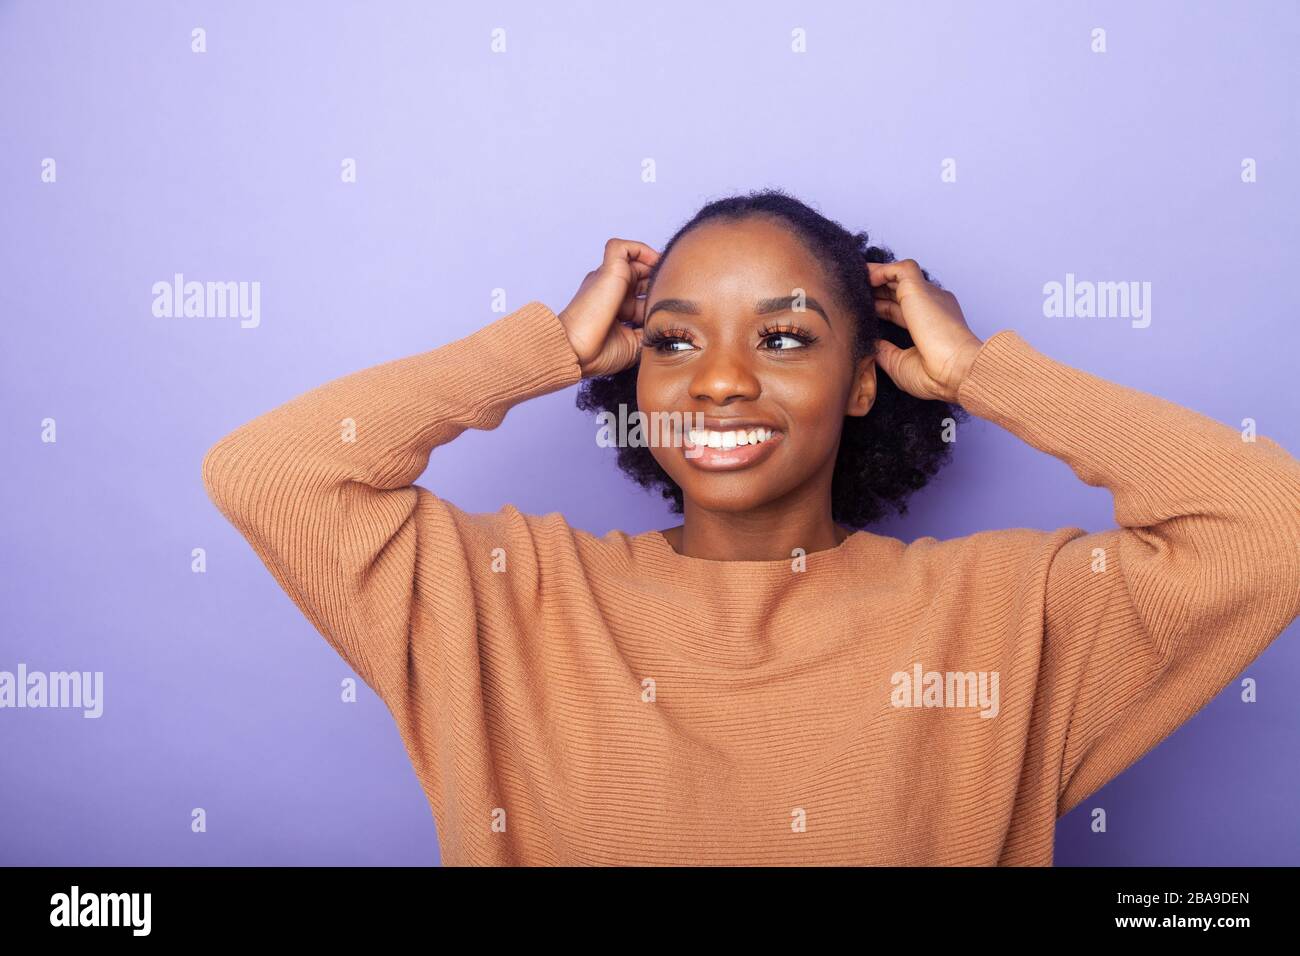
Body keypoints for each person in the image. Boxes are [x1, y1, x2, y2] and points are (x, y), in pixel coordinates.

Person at [201, 189, 1300, 865]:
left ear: (865, 380)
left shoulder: (1008, 617)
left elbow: (1271, 524)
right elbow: (267, 472)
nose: (718, 381)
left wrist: (981, 372)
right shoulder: (501, 592)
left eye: (782, 339)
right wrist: (545, 349)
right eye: (673, 342)